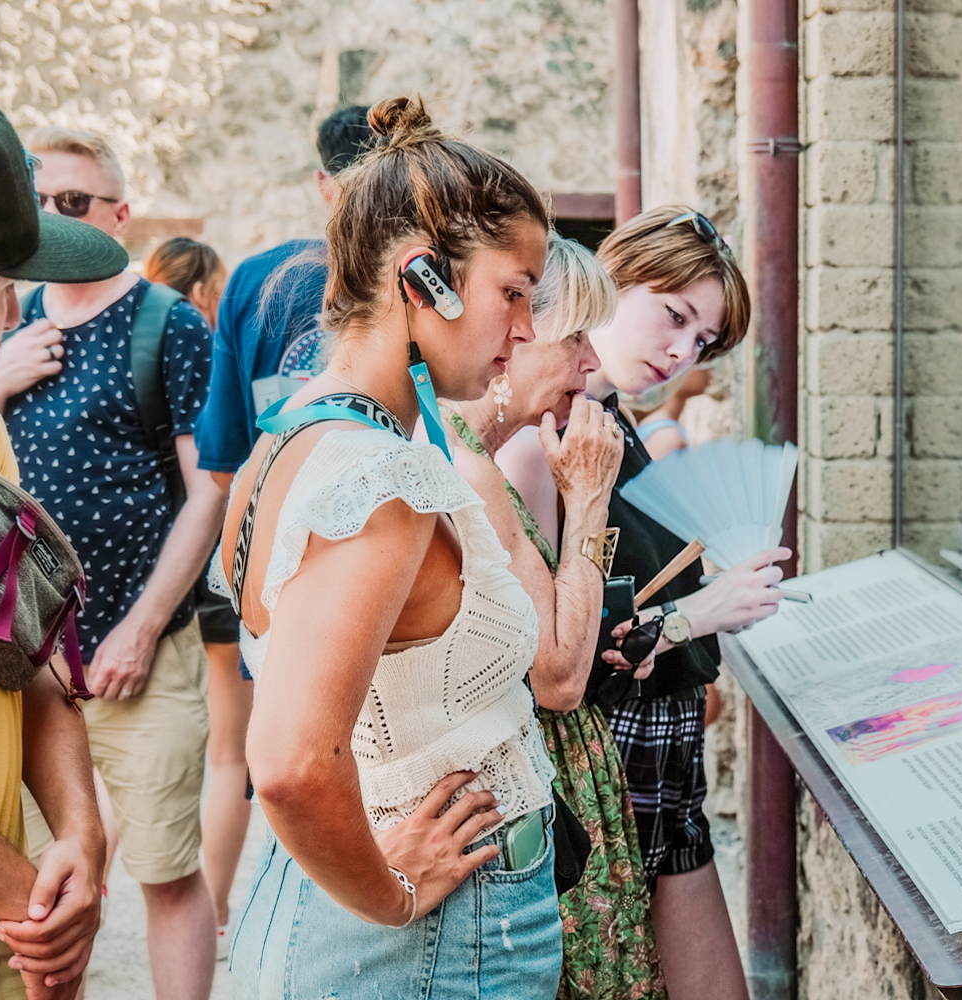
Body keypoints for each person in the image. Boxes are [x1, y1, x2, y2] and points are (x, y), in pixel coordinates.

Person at [215, 95, 561, 999]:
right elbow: (290, 766)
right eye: (513, 292)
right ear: (424, 280)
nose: (526, 330)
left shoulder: (286, 439)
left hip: (333, 908)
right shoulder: (383, 486)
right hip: (427, 940)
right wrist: (396, 895)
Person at [498, 206, 785, 1000]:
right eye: (675, 316)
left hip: (668, 769)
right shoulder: (537, 440)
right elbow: (554, 666)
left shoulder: (613, 426)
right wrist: (703, 614)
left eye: (703, 342)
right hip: (602, 775)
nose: (681, 351)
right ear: (610, 282)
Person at [0, 125, 225, 1000]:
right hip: (22, 658)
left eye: (75, 203)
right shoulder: (3, 318)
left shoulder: (170, 326)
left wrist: (142, 629)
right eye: (41, 202)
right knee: (40, 886)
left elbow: (208, 494)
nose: (55, 220)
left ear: (120, 214)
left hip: (140, 652)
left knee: (163, 869)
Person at [0, 73, 121, 1000]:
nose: (17, 315)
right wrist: (38, 910)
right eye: (5, 288)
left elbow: (28, 655)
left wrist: (80, 844)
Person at [439, 235, 669, 999]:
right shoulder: (475, 470)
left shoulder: (472, 453)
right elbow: (560, 676)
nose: (589, 363)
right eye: (574, 337)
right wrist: (590, 499)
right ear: (515, 330)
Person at [143, 237, 249, 952]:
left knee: (193, 748)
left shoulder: (141, 340)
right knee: (232, 754)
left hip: (166, 572)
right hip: (220, 568)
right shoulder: (203, 350)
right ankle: (211, 907)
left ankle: (189, 895)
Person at [194, 104, 378, 481]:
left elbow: (225, 468)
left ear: (324, 185)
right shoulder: (425, 281)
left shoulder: (253, 279)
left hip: (271, 515)